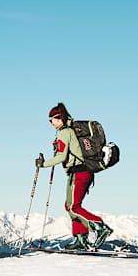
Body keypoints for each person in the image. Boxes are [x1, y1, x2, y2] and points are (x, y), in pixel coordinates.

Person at [35, 103, 113, 250]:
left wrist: (43, 164)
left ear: (58, 119)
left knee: (73, 207)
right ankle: (80, 238)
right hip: (82, 172)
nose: (51, 123)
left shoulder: (64, 133)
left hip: (79, 172)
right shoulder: (70, 130)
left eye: (51, 120)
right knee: (70, 206)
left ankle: (99, 227)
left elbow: (61, 156)